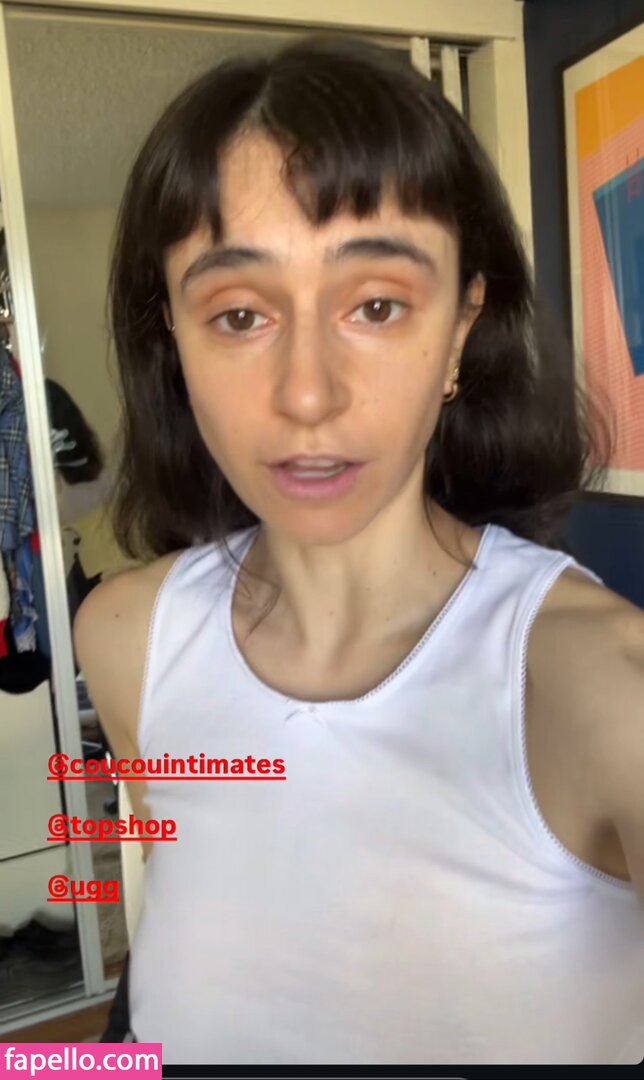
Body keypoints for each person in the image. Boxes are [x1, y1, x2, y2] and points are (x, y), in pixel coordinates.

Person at [73, 35, 644, 1066]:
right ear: (174, 343)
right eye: (239, 315)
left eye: (376, 306)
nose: (307, 394)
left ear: (460, 328)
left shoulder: (599, 690)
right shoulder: (123, 638)